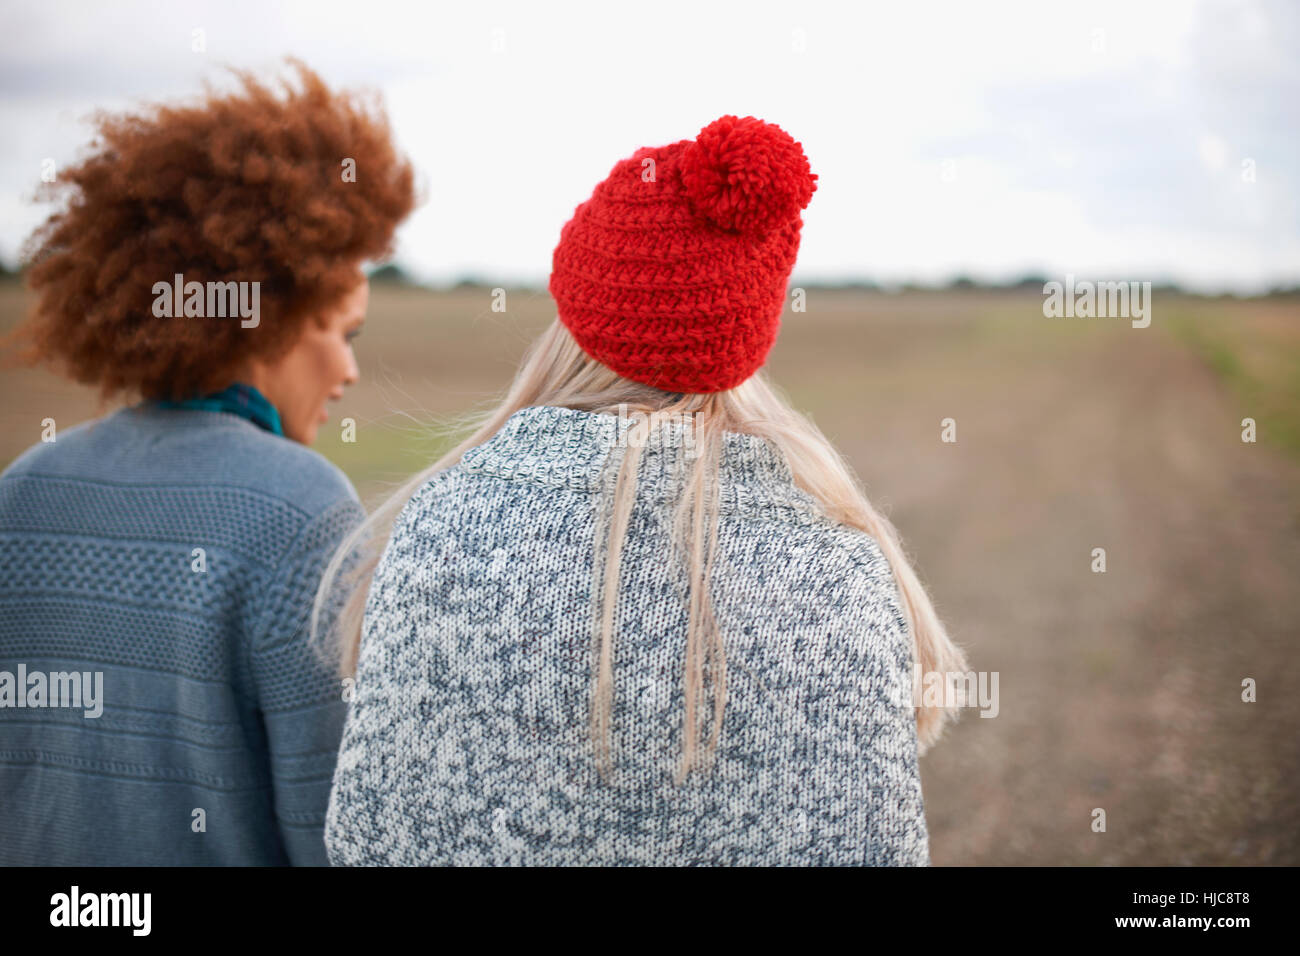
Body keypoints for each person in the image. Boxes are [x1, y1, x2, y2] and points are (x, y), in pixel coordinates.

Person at [321, 115, 968, 866]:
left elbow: (366, 842)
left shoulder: (436, 530)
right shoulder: (843, 575)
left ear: (572, 317)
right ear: (745, 343)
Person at [0, 62, 414, 865]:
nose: (351, 370)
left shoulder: (23, 486)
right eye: (343, 331)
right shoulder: (301, 507)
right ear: (266, 322)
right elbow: (336, 827)